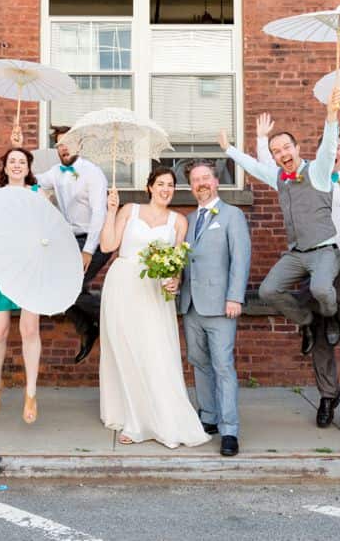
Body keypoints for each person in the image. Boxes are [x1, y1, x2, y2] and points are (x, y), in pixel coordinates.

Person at [258, 120, 340, 431]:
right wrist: (259, 139)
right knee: (320, 334)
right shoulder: (300, 177)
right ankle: (327, 395)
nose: (333, 154)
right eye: (328, 150)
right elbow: (268, 166)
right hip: (311, 260)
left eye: (338, 149)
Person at [220, 86, 340, 354]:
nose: (283, 153)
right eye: (277, 151)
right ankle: (307, 321)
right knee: (267, 291)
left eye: (287, 147)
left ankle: (330, 316)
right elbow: (255, 165)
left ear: (298, 148)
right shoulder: (279, 177)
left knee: (321, 289)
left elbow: (328, 148)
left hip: (324, 250)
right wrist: (229, 148)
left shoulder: (319, 172)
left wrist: (331, 116)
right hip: (296, 254)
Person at [98, 167, 210, 449]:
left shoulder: (178, 222)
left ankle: (158, 417)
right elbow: (108, 244)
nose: (165, 189)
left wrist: (175, 279)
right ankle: (132, 419)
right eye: (160, 184)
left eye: (170, 185)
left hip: (154, 292)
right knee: (124, 350)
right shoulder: (130, 210)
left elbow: (178, 262)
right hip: (122, 285)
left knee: (155, 351)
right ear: (149, 187)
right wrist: (111, 211)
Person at [173, 161, 251, 456]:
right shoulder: (188, 220)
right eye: (195, 180)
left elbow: (240, 259)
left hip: (221, 305)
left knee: (223, 366)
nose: (201, 183)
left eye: (206, 178)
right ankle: (209, 417)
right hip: (191, 304)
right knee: (199, 362)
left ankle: (230, 429)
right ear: (191, 186)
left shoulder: (233, 215)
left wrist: (235, 297)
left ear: (216, 182)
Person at [0, 147, 45, 424]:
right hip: (0, 268)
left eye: (22, 162)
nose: (17, 166)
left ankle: (31, 393)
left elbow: (47, 230)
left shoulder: (38, 195)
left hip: (30, 267)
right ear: (4, 168)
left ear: (28, 168)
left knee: (29, 329)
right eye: (12, 162)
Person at [35, 126, 109, 364]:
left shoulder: (93, 173)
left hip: (94, 240)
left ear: (80, 145)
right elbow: (28, 180)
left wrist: (88, 250)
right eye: (59, 144)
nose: (63, 147)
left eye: (67, 142)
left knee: (68, 287)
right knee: (60, 289)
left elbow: (99, 213)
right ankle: (88, 327)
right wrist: (17, 146)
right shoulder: (56, 172)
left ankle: (110, 315)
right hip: (69, 241)